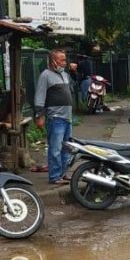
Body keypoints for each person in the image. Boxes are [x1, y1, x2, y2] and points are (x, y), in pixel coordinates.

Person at [34, 49, 74, 185]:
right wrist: (39, 116)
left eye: (65, 59)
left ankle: (63, 174)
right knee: (55, 148)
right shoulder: (45, 75)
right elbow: (39, 96)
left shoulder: (65, 75)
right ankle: (55, 176)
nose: (65, 62)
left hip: (67, 118)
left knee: (67, 148)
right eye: (62, 60)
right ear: (53, 61)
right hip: (55, 118)